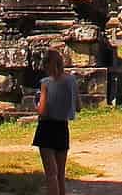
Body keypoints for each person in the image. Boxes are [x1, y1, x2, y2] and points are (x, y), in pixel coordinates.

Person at [32, 44, 78, 195]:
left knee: (51, 175)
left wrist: (36, 105)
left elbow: (43, 111)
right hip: (63, 128)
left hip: (47, 128)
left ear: (47, 65)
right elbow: (78, 106)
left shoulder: (46, 83)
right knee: (60, 176)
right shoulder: (71, 81)